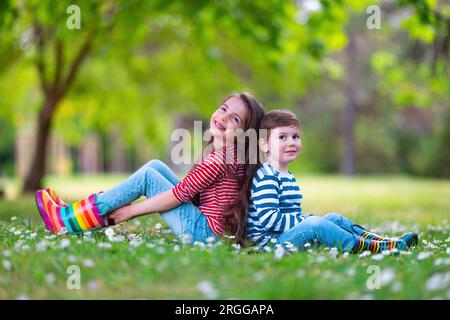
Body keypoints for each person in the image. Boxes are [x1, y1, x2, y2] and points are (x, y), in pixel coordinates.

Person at [35, 92, 265, 245]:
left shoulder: (221, 159)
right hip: (207, 228)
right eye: (224, 109)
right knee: (155, 166)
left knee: (148, 176)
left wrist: (132, 211)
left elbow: (179, 195)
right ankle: (79, 215)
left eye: (235, 119)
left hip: (203, 235)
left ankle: (67, 221)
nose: (224, 118)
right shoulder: (230, 155)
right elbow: (191, 193)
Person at [244, 109, 418, 254]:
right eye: (282, 137)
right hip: (270, 244)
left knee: (334, 218)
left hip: (285, 236)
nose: (291, 142)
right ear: (264, 145)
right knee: (315, 224)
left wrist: (304, 220)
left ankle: (382, 241)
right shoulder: (266, 175)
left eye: (295, 136)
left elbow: (292, 216)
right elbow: (269, 219)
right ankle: (373, 248)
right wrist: (305, 220)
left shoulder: (287, 175)